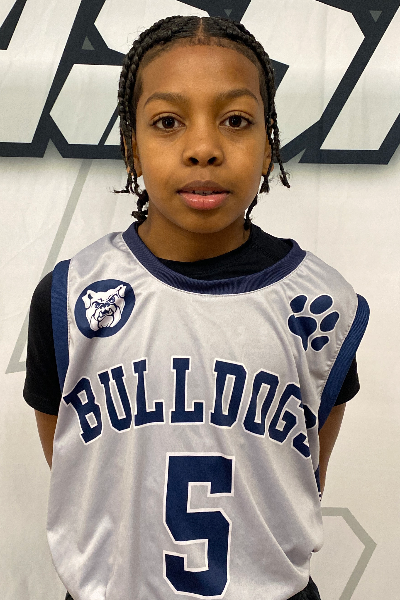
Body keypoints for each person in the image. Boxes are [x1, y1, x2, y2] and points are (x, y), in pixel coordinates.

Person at [24, 15, 369, 600]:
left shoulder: (322, 302)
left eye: (236, 121)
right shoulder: (72, 295)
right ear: (132, 147)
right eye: (167, 122)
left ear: (268, 146)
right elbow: (81, 471)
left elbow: (306, 475)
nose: (204, 149)